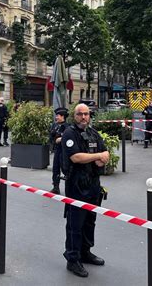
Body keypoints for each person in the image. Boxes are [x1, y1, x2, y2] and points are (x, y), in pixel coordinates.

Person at [61, 103, 109, 278]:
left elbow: (105, 152)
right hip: (76, 185)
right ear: (75, 116)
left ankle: (85, 252)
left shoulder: (93, 133)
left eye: (86, 114)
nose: (83, 117)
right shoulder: (69, 134)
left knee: (90, 221)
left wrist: (103, 158)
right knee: (75, 224)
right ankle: (72, 259)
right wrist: (98, 157)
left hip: (93, 185)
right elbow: (76, 157)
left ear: (90, 115)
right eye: (80, 114)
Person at [50, 107, 69, 194]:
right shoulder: (55, 125)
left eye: (57, 115)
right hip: (57, 150)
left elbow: (71, 137)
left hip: (65, 151)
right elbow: (51, 136)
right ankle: (56, 187)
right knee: (55, 168)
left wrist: (62, 138)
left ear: (62, 116)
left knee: (66, 169)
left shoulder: (68, 127)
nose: (56, 117)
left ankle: (70, 186)